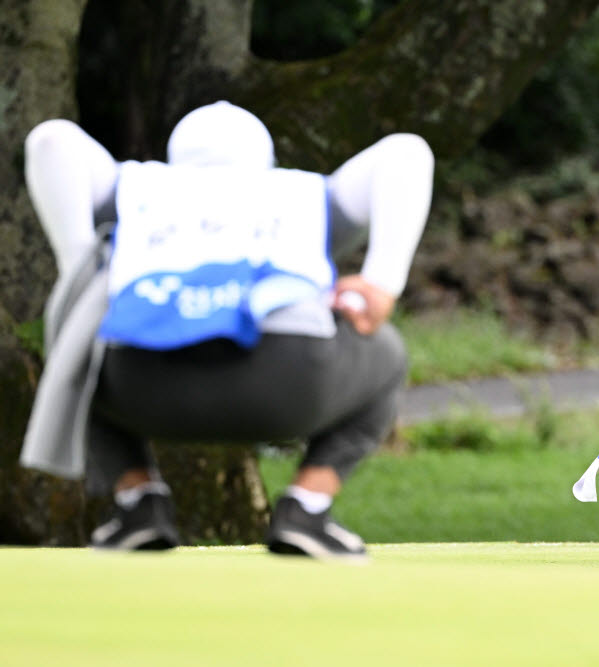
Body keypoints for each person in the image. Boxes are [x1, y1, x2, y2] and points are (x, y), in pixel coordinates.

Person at [20, 101, 435, 560]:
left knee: (75, 338)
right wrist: (383, 281)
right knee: (386, 350)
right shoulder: (301, 193)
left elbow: (50, 141)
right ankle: (307, 507)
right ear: (266, 159)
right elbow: (407, 153)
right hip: (288, 387)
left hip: (145, 387)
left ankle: (139, 502)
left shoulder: (140, 187)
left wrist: (76, 266)